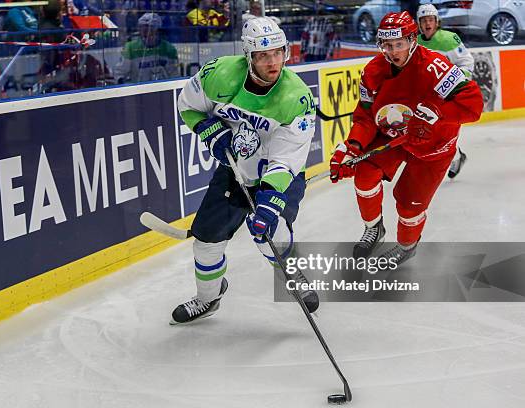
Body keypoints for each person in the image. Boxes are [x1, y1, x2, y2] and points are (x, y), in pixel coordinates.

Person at [172, 17, 318, 324]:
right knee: (206, 240)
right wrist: (208, 130)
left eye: (277, 53)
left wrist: (269, 198)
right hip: (235, 169)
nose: (272, 62)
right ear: (248, 56)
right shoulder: (219, 75)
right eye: (263, 56)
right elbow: (187, 105)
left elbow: (286, 158)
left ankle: (293, 275)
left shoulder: (297, 98)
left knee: (268, 231)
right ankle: (208, 298)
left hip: (280, 175)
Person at [329, 11, 482, 266]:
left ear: (413, 40)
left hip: (433, 144)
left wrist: (438, 114)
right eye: (387, 45)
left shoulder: (435, 66)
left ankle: (407, 246)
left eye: (399, 44)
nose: (393, 52)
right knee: (364, 170)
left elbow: (474, 105)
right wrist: (352, 147)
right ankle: (374, 228)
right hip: (395, 135)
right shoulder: (373, 71)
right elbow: (366, 117)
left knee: (409, 207)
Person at [417, 3, 474, 179]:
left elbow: (467, 63)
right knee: (427, 133)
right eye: (424, 20)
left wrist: (455, 84)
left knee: (443, 132)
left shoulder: (449, 39)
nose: (428, 23)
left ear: (437, 21)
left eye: (431, 19)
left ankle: (455, 156)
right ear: (419, 23)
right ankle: (454, 156)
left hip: (447, 95)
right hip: (425, 96)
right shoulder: (415, 42)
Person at [114, 13, 179, 84]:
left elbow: (174, 74)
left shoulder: (168, 49)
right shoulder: (131, 48)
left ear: (157, 30)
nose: (146, 31)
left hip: (163, 90)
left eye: (149, 27)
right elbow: (119, 73)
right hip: (139, 91)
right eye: (142, 27)